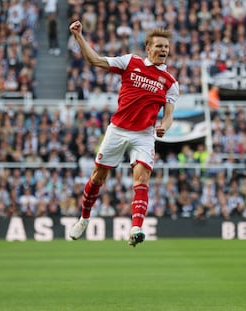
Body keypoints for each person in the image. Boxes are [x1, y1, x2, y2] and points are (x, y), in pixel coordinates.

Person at [68, 20, 179, 247]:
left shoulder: (170, 83)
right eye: (159, 46)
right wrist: (79, 37)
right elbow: (95, 60)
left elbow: (168, 115)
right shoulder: (131, 62)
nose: (163, 50)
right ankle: (84, 218)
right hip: (118, 130)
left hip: (144, 135)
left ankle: (136, 227)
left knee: (142, 178)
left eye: (166, 47)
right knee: (98, 177)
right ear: (148, 48)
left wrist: (164, 127)